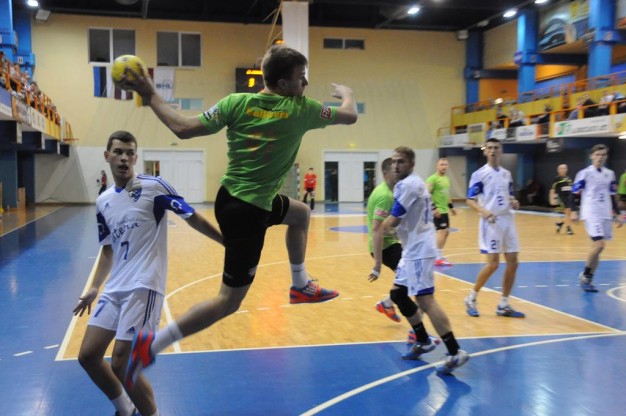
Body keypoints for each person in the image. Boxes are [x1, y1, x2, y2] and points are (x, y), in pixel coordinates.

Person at [120, 45, 358, 388]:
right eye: (301, 77)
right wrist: (347, 94)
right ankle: (152, 345)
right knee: (228, 301)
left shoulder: (235, 103)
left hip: (231, 199)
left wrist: (149, 93)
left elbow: (182, 127)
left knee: (301, 213)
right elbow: (350, 115)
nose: (306, 83)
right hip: (249, 214)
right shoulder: (301, 109)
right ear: (283, 84)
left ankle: (300, 285)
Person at [73, 131, 223, 416]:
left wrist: (226, 242)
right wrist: (94, 287)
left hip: (144, 286)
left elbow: (192, 218)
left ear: (136, 158)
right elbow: (108, 250)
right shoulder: (104, 201)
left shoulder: (154, 187)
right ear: (107, 156)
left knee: (122, 364)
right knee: (88, 355)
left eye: (130, 153)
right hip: (114, 288)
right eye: (118, 152)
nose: (124, 158)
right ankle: (125, 409)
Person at [381, 146, 468, 374]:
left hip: (420, 249)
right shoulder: (410, 183)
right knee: (398, 294)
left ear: (411, 163)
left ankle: (455, 351)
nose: (395, 165)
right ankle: (423, 340)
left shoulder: (409, 185)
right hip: (412, 248)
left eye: (400, 161)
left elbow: (394, 219)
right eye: (393, 161)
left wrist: (379, 228)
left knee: (426, 300)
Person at [464, 138, 525, 318]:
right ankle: (471, 297)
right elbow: (470, 200)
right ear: (485, 151)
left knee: (513, 261)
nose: (492, 151)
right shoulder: (479, 174)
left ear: (501, 151)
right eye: (489, 148)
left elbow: (510, 196)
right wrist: (484, 212)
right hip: (491, 222)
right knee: (493, 264)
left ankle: (504, 303)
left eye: (496, 148)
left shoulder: (507, 174)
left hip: (508, 220)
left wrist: (514, 202)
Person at [570, 144, 623, 292]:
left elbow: (612, 196)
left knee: (597, 249)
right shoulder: (585, 173)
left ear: (606, 157)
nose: (600, 157)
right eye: (597, 154)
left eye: (603, 155)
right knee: (599, 245)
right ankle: (585, 275)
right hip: (591, 213)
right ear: (591, 156)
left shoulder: (610, 174)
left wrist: (617, 213)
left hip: (604, 214)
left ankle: (589, 278)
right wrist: (573, 211)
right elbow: (574, 194)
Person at [367, 157, 401, 323]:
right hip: (384, 248)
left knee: (408, 276)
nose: (399, 173)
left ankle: (387, 303)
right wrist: (377, 265)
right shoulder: (385, 195)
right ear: (386, 174)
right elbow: (377, 229)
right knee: (411, 277)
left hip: (390, 243)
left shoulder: (389, 190)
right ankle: (387, 304)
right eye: (395, 171)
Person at [426, 157, 457, 267]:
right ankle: (437, 257)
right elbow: (427, 195)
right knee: (441, 232)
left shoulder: (446, 179)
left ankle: (439, 255)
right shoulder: (432, 179)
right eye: (441, 165)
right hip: (437, 210)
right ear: (437, 166)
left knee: (446, 232)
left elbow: (446, 195)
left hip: (444, 210)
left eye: (445, 165)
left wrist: (451, 207)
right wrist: (434, 208)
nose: (444, 167)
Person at [550, 164, 574, 235]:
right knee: (568, 212)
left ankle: (560, 224)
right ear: (558, 170)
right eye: (561, 168)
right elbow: (552, 189)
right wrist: (552, 199)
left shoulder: (568, 178)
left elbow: (571, 188)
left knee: (568, 214)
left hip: (569, 197)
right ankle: (568, 229)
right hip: (562, 198)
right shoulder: (557, 179)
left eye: (565, 168)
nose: (563, 170)